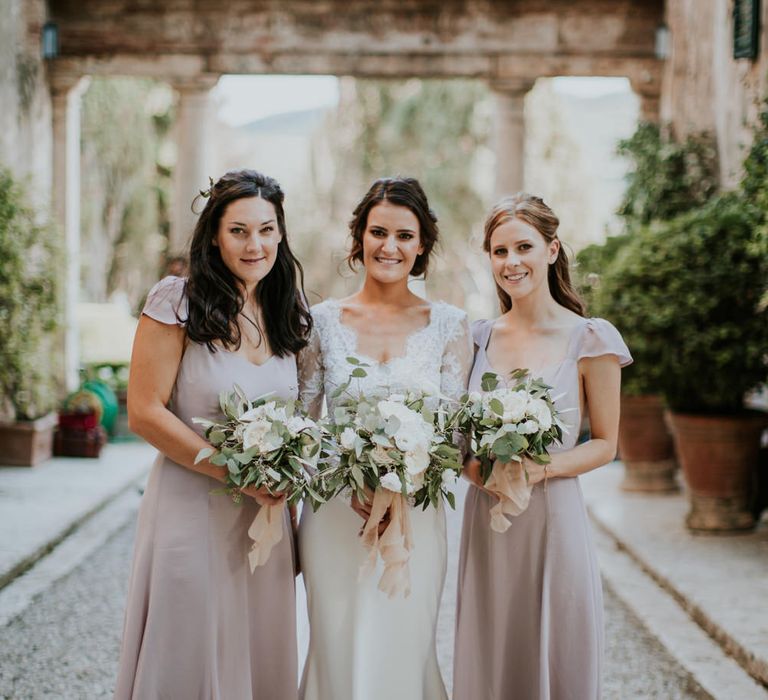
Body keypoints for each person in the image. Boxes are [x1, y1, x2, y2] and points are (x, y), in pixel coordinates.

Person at [114, 169, 311, 700]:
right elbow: (144, 411)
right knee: (188, 648)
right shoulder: (176, 300)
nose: (256, 244)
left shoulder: (286, 312)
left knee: (258, 647)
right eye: (239, 231)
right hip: (191, 506)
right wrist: (237, 473)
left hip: (266, 519)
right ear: (214, 236)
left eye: (267, 230)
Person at [297, 177, 473, 700]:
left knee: (403, 645)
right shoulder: (321, 322)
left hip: (415, 519)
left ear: (421, 246)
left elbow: (455, 438)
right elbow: (304, 426)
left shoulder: (449, 325)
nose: (389, 247)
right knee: (337, 643)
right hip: (334, 513)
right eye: (378, 232)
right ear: (359, 238)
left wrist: (405, 469)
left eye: (404, 235)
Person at [453, 193, 632, 700]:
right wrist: (481, 474)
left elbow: (604, 443)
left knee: (555, 649)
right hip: (487, 520)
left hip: (554, 519)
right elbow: (460, 447)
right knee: (494, 651)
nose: (511, 262)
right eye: (499, 251)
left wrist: (539, 469)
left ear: (552, 250)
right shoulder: (477, 339)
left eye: (523, 247)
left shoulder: (590, 338)